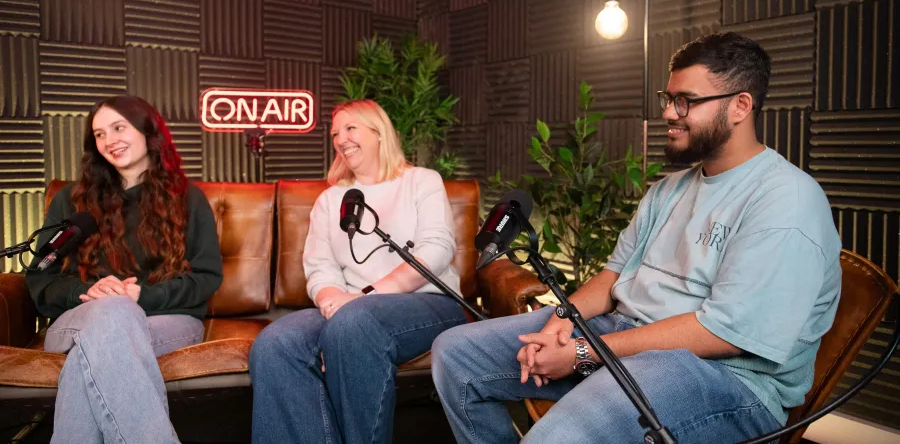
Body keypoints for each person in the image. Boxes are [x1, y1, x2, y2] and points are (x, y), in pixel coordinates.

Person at [431, 32, 842, 444]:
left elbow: (722, 333)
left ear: (740, 105)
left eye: (686, 101)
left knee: (556, 438)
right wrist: (561, 321)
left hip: (725, 378)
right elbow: (613, 277)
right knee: (456, 355)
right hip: (624, 335)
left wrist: (581, 353)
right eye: (668, 97)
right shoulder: (669, 189)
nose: (668, 112)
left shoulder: (786, 200)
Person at [249, 99, 468, 444]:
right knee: (275, 342)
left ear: (379, 133)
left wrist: (364, 298)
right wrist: (330, 298)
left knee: (354, 324)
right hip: (351, 307)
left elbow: (436, 251)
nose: (341, 139)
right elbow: (320, 267)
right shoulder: (330, 200)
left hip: (427, 303)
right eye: (335, 133)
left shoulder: (422, 181)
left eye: (351, 128)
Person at [26, 95, 223, 444]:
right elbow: (41, 279)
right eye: (99, 134)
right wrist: (82, 293)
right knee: (112, 315)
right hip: (79, 318)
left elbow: (206, 278)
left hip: (166, 318)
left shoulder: (188, 198)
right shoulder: (70, 202)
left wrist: (141, 296)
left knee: (86, 362)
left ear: (148, 131)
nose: (109, 140)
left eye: (119, 127)